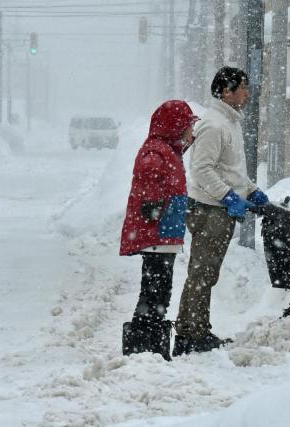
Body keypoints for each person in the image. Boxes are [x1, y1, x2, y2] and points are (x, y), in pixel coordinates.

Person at [172, 67, 269, 356]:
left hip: (219, 209)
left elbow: (231, 170)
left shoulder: (230, 123)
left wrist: (250, 190)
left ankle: (193, 329)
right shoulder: (215, 125)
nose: (247, 93)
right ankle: (191, 334)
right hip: (209, 209)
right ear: (226, 92)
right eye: (243, 88)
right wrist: (227, 196)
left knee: (204, 272)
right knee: (202, 273)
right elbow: (201, 170)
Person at [120, 100, 198, 361]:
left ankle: (149, 337)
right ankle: (145, 340)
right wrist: (153, 208)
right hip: (158, 234)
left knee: (160, 289)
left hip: (165, 234)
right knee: (155, 288)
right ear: (175, 126)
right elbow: (149, 179)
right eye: (188, 126)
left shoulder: (168, 150)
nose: (191, 132)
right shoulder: (156, 151)